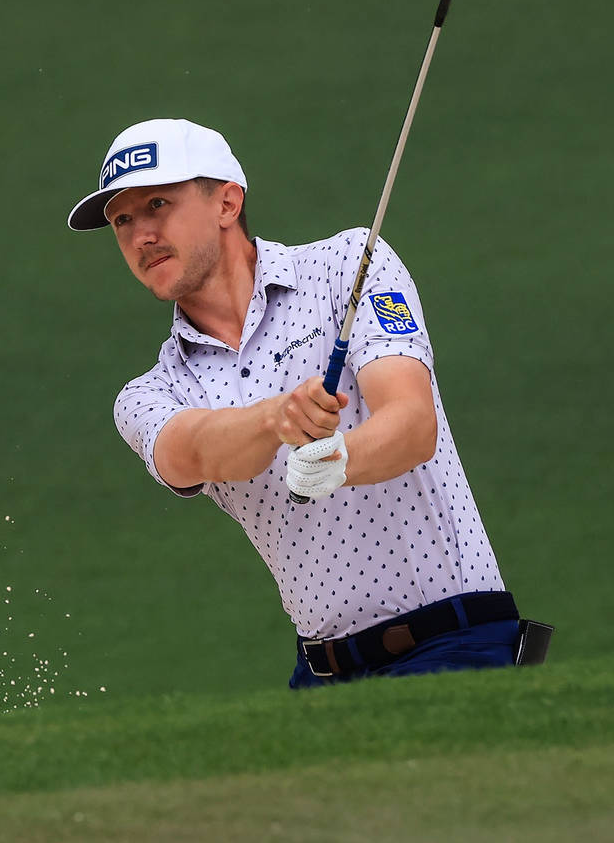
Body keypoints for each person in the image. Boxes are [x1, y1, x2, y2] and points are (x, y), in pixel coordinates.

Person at [68, 118, 540, 687]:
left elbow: (414, 426)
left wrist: (338, 459)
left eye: (158, 205)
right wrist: (275, 419)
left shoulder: (348, 265)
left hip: (455, 638)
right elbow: (188, 452)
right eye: (122, 220)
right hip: (322, 672)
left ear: (227, 202)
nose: (140, 234)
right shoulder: (150, 392)